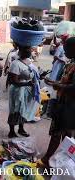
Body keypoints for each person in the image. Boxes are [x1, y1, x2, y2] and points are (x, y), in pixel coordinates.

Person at [39, 37, 75, 167]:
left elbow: (73, 87)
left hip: (68, 105)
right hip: (64, 103)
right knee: (66, 134)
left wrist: (58, 86)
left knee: (58, 133)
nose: (64, 52)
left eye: (66, 49)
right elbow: (67, 82)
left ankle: (47, 160)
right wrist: (54, 82)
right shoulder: (71, 62)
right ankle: (63, 162)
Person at [7, 44, 40, 138]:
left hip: (26, 89)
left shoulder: (29, 61)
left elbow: (31, 73)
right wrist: (28, 84)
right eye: (27, 50)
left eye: (29, 49)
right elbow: (14, 81)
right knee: (15, 110)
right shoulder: (15, 64)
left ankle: (21, 129)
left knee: (24, 110)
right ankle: (11, 131)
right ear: (20, 51)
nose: (29, 51)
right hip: (17, 90)